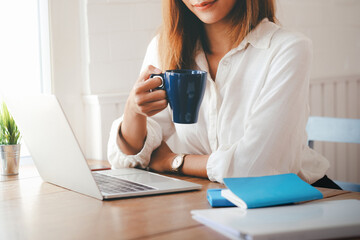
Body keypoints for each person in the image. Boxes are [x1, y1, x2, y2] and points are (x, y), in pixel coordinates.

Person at [108, 0, 339, 189]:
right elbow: (131, 159)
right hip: (214, 196)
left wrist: (174, 161)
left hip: (300, 201)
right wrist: (133, 111)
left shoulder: (288, 48)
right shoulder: (166, 47)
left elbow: (256, 169)